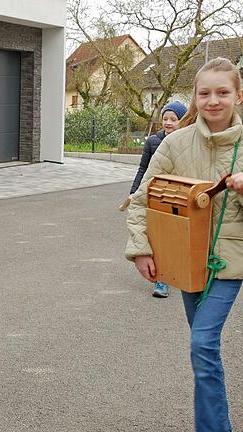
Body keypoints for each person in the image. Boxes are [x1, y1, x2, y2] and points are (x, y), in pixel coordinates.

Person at [126, 57, 243, 432]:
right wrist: (141, 248)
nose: (213, 101)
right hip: (184, 259)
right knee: (203, 349)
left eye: (222, 92)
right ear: (194, 97)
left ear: (238, 96)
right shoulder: (175, 143)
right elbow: (144, 198)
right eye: (205, 93)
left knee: (202, 344)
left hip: (230, 262)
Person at [127, 100, 187, 298]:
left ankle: (177, 271)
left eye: (173, 119)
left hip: (176, 197)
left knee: (175, 236)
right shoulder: (153, 141)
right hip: (154, 196)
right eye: (165, 118)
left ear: (183, 121)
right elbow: (143, 169)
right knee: (158, 236)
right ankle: (161, 280)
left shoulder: (186, 142)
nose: (168, 122)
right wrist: (134, 191)